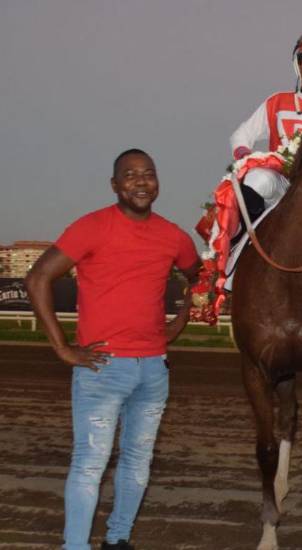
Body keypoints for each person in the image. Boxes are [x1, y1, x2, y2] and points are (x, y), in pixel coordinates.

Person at [25, 149, 201, 550]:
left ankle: (118, 539)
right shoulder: (92, 227)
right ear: (115, 185)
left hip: (154, 370)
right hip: (102, 370)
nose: (141, 182)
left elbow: (198, 277)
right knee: (90, 464)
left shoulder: (173, 236)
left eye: (149, 174)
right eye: (130, 175)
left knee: (138, 464)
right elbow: (37, 278)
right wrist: (63, 349)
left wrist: (181, 319)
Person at [229, 30, 302, 217]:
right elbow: (240, 135)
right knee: (255, 179)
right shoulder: (278, 101)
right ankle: (243, 241)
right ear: (298, 67)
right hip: (281, 183)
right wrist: (246, 156)